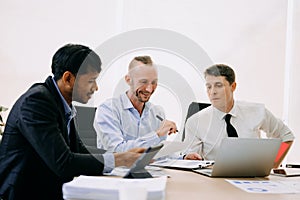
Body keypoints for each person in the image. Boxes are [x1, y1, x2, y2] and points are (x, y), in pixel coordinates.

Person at [0, 44, 144, 200]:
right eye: (91, 81)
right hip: (23, 194)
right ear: (68, 78)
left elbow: (79, 150)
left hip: (48, 188)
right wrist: (119, 159)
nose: (96, 88)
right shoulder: (37, 102)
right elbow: (64, 163)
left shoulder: (60, 102)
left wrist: (124, 156)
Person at [183, 64, 294, 168]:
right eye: (208, 87)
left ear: (233, 86)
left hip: (253, 177)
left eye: (218, 85)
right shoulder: (195, 122)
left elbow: (286, 136)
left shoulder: (257, 111)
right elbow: (193, 160)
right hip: (215, 180)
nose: (212, 92)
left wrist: (273, 164)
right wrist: (189, 159)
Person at [94, 56, 177, 152]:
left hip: (149, 167)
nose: (149, 89)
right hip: (118, 167)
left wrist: (182, 157)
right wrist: (156, 135)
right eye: (143, 82)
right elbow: (117, 150)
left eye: (154, 82)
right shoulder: (108, 109)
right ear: (128, 80)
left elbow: (158, 153)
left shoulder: (157, 113)